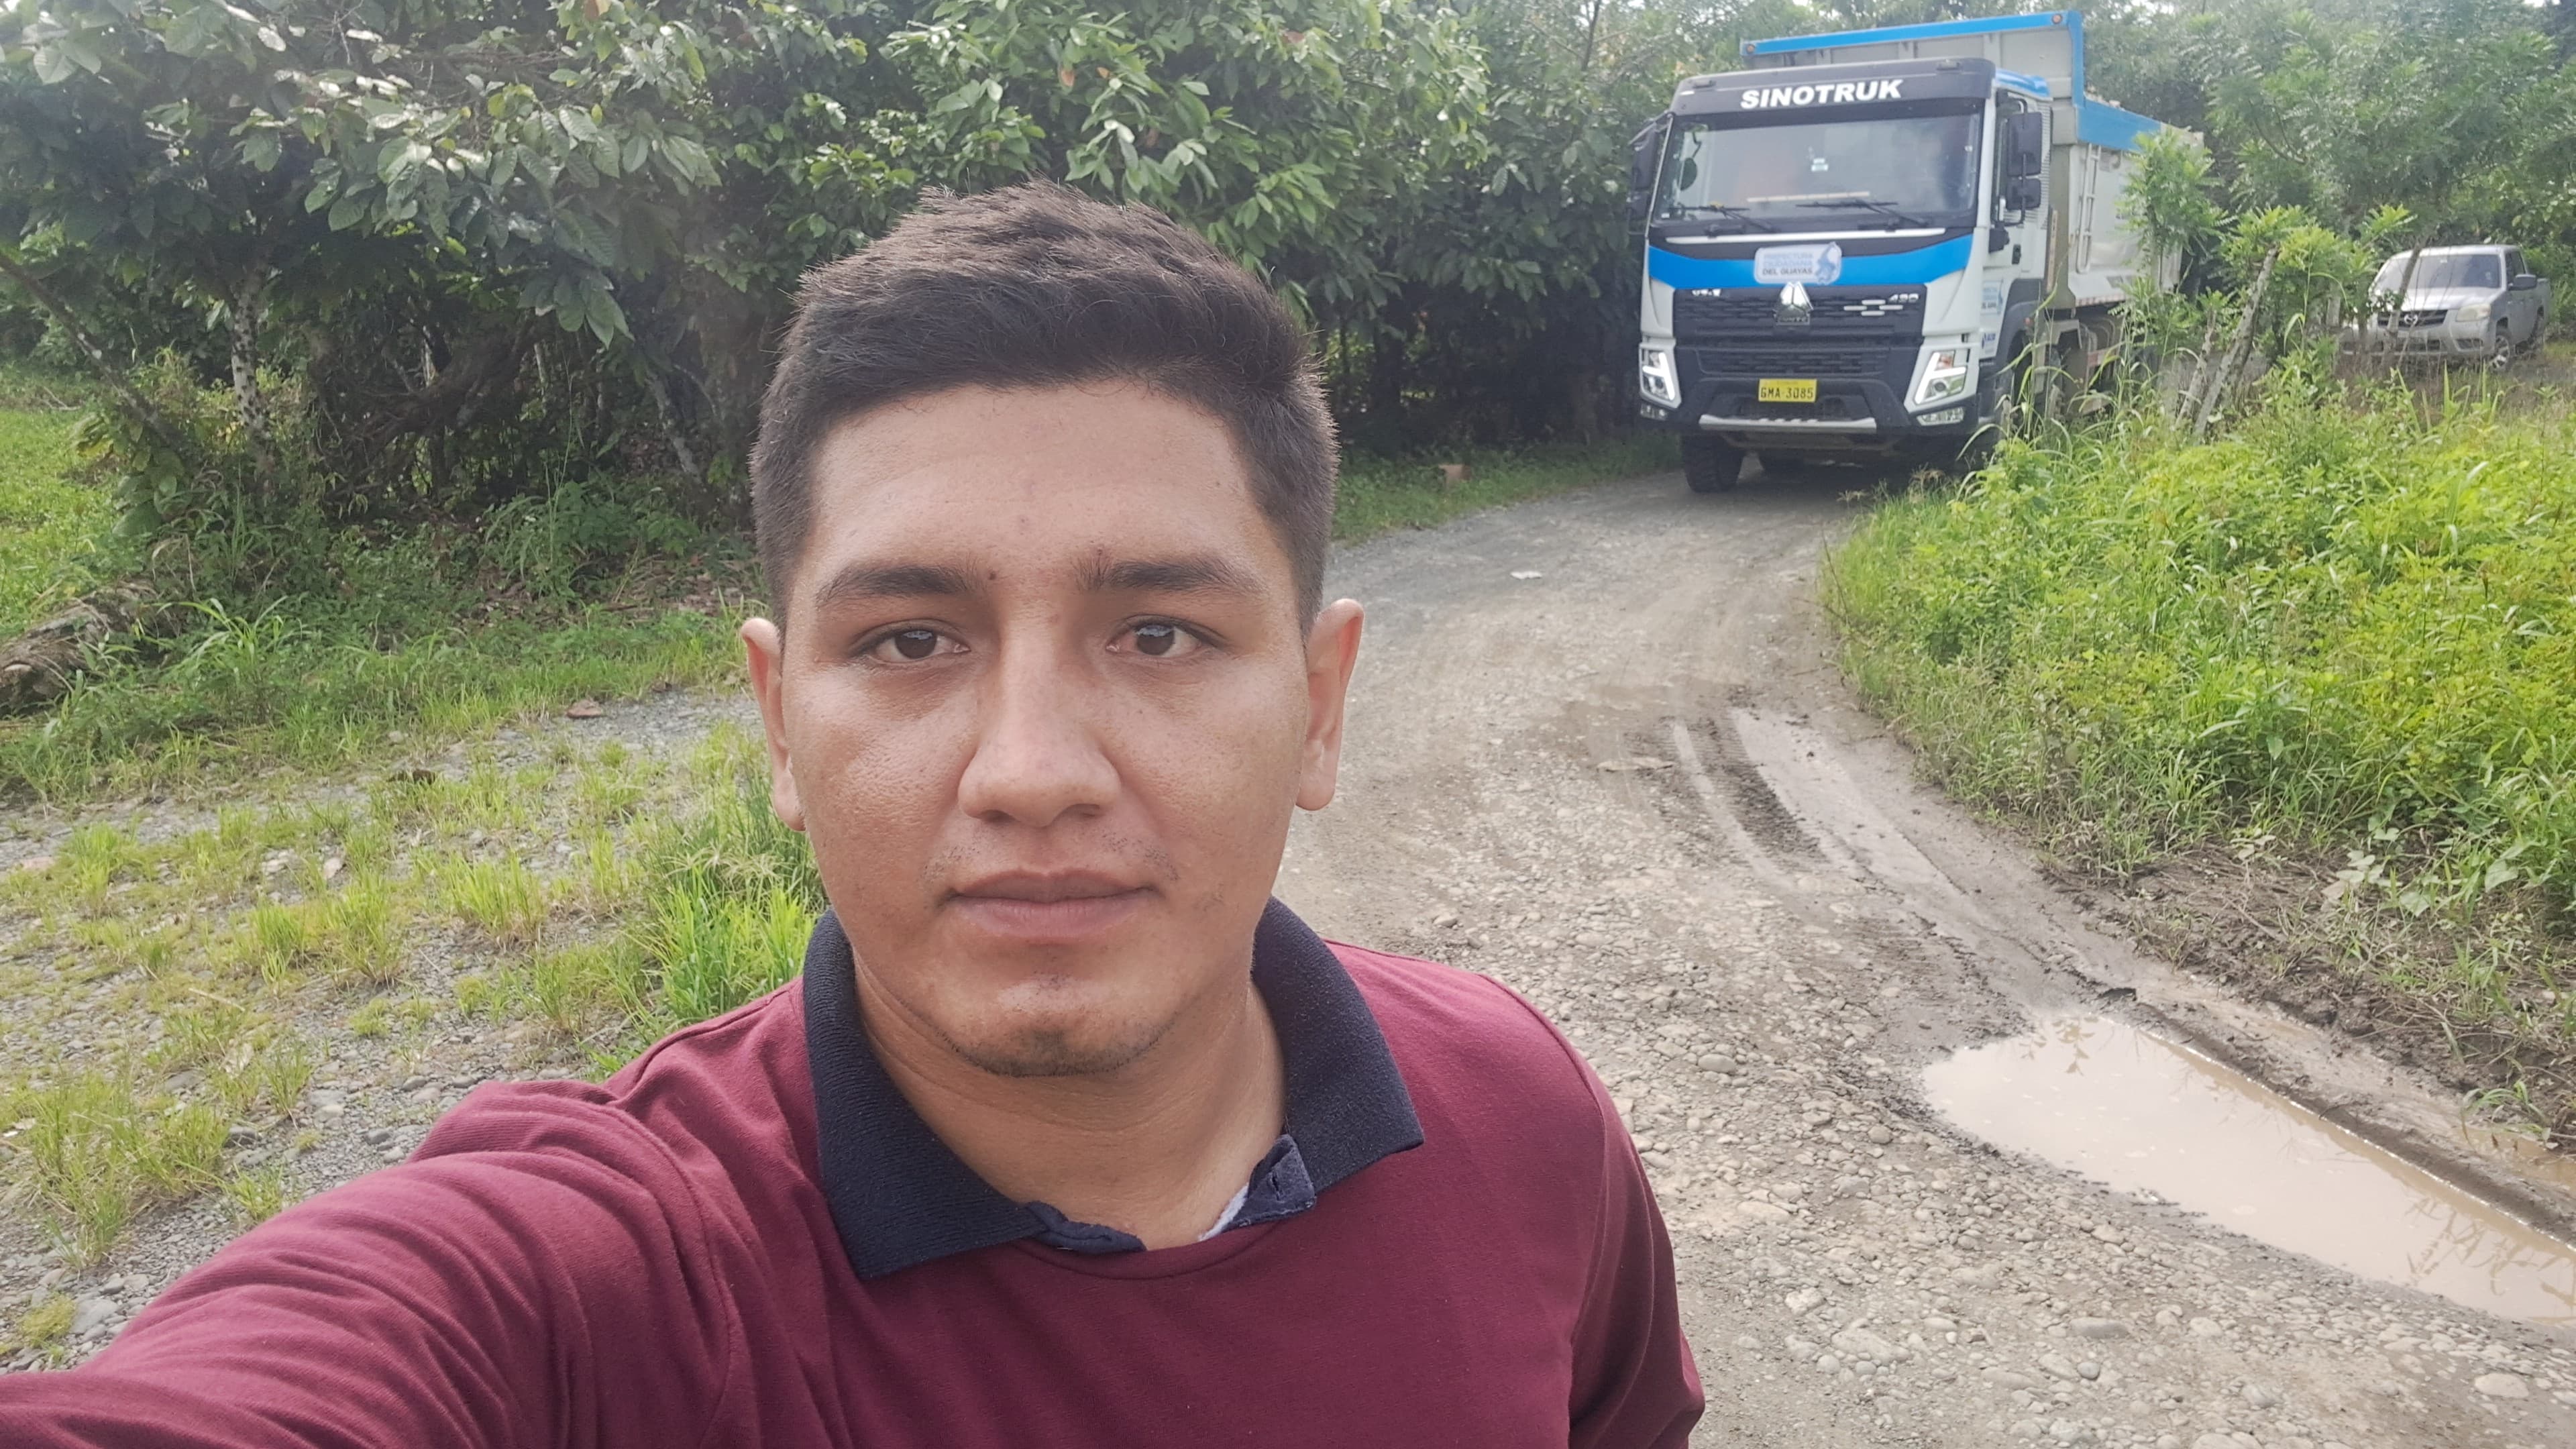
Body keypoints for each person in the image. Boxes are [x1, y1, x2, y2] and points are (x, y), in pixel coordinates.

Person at [0, 182, 1701, 1448]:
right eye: (909, 641)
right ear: (780, 724)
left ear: (1318, 706)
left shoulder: (1519, 1115)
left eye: (1160, 635)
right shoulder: (619, 1282)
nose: (1031, 771)